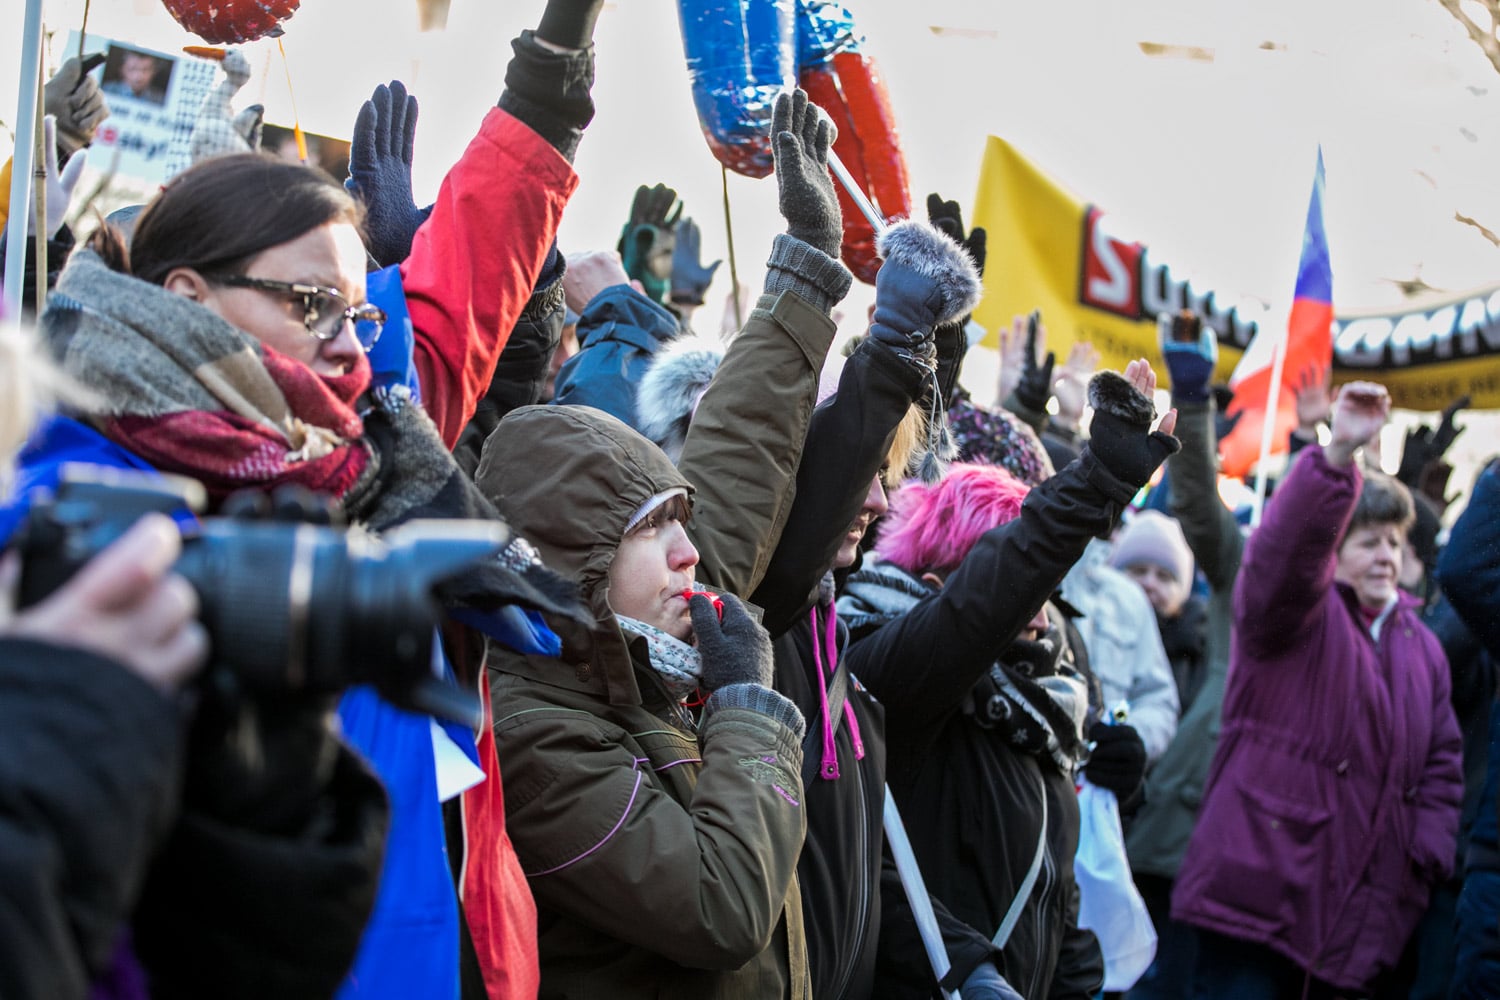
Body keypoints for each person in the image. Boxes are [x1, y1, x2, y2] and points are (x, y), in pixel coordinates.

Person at [838, 361, 1180, 1000]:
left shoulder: (1045, 699)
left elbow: (1055, 892)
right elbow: (981, 607)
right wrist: (1096, 483)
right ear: (936, 584)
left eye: (1046, 594)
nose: (1042, 615)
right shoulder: (886, 667)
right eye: (1023, 594)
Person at [474, 404, 810, 998]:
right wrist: (747, 707)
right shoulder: (532, 738)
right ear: (572, 558)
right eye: (650, 524)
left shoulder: (647, 681)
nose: (689, 553)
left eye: (682, 521)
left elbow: (751, 458)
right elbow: (724, 908)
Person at [1172, 382, 1464, 999]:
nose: (1386, 555)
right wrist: (1335, 459)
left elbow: (1442, 765)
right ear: (1334, 548)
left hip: (1357, 923)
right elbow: (1287, 553)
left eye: (1395, 542)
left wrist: (1423, 857)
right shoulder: (1295, 611)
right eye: (1368, 541)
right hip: (1256, 900)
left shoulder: (1423, 647)